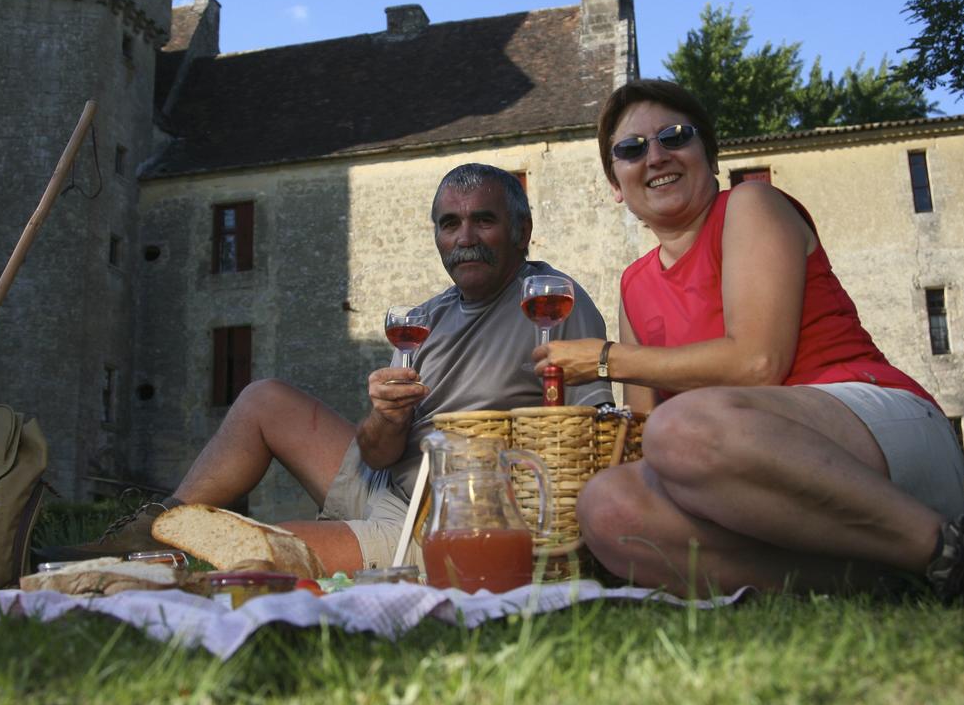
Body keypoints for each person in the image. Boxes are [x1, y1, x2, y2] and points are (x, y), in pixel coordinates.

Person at [535, 80, 964, 613]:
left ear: (709, 156)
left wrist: (606, 357)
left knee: (682, 429)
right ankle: (880, 579)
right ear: (615, 185)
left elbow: (757, 362)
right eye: (631, 149)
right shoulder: (634, 284)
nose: (656, 155)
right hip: (755, 487)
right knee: (608, 506)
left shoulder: (748, 205)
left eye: (674, 137)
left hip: (875, 430)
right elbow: (645, 429)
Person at [40, 163, 613, 573]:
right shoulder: (426, 318)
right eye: (449, 224)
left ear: (520, 230)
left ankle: (146, 566)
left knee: (260, 547)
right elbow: (380, 452)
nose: (464, 238)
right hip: (389, 482)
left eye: (483, 221)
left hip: (437, 516)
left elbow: (588, 437)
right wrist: (383, 417)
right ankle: (157, 525)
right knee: (263, 397)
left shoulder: (550, 301)